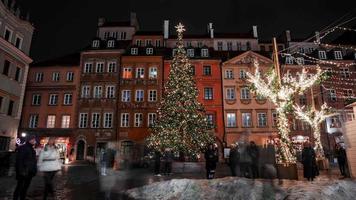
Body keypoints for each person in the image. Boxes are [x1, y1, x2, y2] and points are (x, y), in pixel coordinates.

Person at [13, 135, 37, 200]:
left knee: (25, 187)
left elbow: (33, 161)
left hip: (29, 172)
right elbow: (19, 160)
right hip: (24, 172)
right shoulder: (24, 148)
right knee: (19, 187)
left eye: (35, 139)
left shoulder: (32, 149)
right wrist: (21, 171)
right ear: (30, 140)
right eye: (34, 139)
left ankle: (22, 198)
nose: (35, 141)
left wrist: (34, 170)